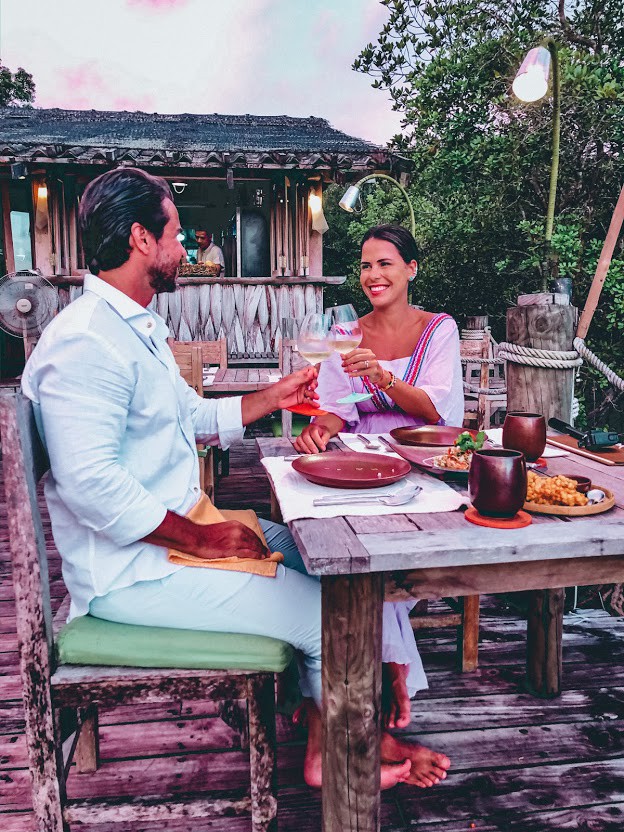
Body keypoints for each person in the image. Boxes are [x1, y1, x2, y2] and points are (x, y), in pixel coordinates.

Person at [22, 171, 450, 790]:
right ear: (142, 238)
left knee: (310, 552)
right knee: (335, 613)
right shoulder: (87, 343)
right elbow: (93, 488)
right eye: (174, 233)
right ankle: (331, 755)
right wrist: (206, 541)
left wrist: (272, 394)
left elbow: (192, 418)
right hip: (134, 574)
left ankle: (335, 722)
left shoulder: (131, 328)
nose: (183, 250)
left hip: (175, 537)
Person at [295, 223, 464, 729]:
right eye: (366, 265)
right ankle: (396, 669)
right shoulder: (343, 332)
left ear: (411, 269)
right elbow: (335, 409)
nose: (373, 275)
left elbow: (438, 410)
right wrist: (319, 431)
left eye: (385, 263)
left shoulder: (440, 329)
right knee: (346, 554)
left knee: (372, 568)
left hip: (422, 466)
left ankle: (385, 671)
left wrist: (384, 377)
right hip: (358, 465)